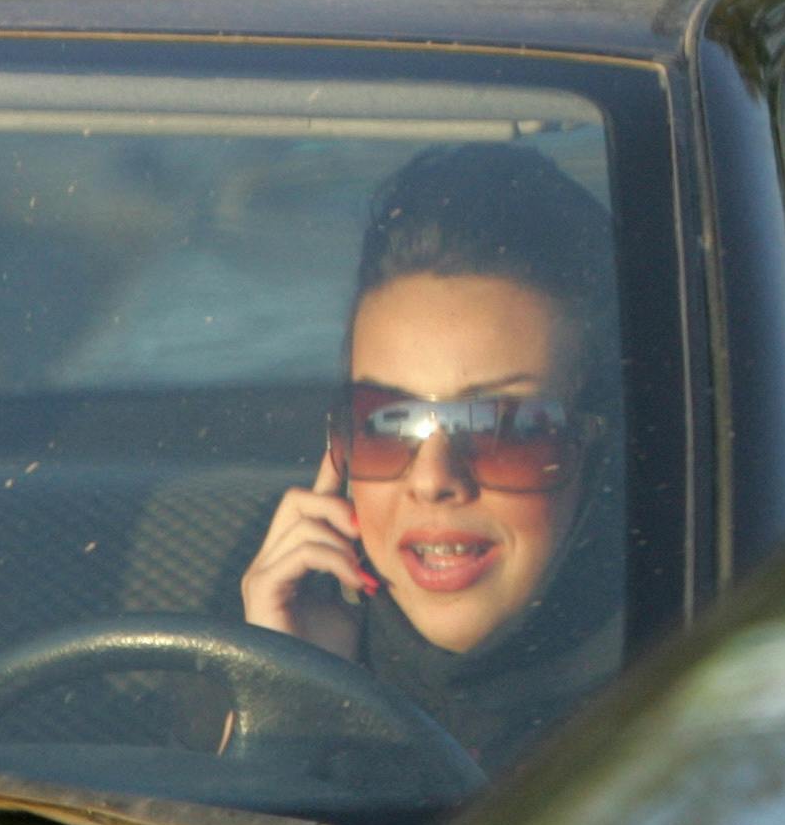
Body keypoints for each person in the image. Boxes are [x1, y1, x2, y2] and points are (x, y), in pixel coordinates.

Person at [241, 143, 625, 772]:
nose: (433, 479)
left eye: (507, 426)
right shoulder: (260, 653)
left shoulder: (704, 738)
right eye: (388, 422)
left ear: (600, 448)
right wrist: (289, 695)